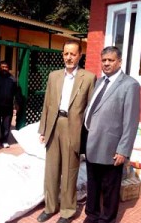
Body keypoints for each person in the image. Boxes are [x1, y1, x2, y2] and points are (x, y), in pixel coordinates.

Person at [37, 40, 96, 223]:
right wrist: (43, 129)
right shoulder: (54, 76)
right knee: (51, 171)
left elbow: (91, 109)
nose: (69, 57)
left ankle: (68, 211)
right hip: (54, 125)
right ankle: (50, 206)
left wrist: (87, 136)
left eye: (73, 54)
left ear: (80, 55)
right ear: (62, 55)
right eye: (66, 54)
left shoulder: (88, 77)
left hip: (74, 128)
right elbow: (47, 103)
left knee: (70, 171)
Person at [83, 46, 140, 223]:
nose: (106, 63)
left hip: (111, 147)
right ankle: (91, 215)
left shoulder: (129, 85)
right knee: (92, 184)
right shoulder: (100, 82)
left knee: (110, 187)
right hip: (92, 142)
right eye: (104, 60)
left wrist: (123, 150)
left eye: (111, 60)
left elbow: (131, 120)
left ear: (119, 62)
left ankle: (107, 219)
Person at [0, 61, 19, 149]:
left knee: (6, 125)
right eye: (2, 67)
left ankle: (4, 140)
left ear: (8, 68)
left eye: (6, 67)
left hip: (8, 106)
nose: (4, 68)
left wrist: (16, 103)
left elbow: (16, 92)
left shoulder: (12, 79)